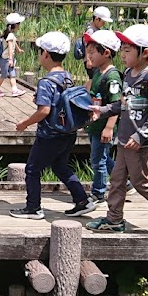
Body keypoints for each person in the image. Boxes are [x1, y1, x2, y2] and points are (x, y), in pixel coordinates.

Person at [87, 24, 148, 235]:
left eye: (127, 50)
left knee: (140, 181)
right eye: (122, 49)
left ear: (145, 52)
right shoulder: (129, 75)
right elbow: (123, 104)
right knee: (116, 180)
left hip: (141, 142)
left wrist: (141, 135)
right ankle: (114, 219)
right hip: (125, 139)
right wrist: (102, 110)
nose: (122, 54)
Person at [9, 31, 93, 220]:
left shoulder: (46, 82)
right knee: (60, 166)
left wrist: (25, 123)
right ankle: (82, 200)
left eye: (40, 51)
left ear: (45, 54)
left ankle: (33, 208)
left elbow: (44, 111)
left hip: (50, 134)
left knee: (32, 169)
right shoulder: (67, 76)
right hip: (67, 132)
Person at [83, 28, 123, 206]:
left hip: (104, 126)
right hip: (95, 123)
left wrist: (109, 128)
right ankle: (124, 181)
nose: (89, 56)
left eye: (92, 52)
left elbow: (116, 105)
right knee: (102, 157)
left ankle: (98, 192)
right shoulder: (98, 71)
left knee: (97, 160)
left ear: (106, 53)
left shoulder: (112, 76)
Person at [0, 13, 24, 97]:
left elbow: (14, 43)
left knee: (12, 74)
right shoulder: (10, 35)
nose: (19, 26)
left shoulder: (10, 35)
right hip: (5, 59)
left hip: (9, 58)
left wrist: (18, 49)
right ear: (15, 25)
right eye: (18, 24)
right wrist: (10, 59)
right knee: (4, 75)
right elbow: (9, 47)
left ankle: (14, 89)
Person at [74, 6, 113, 77]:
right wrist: (88, 60)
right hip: (91, 61)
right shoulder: (91, 31)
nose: (103, 24)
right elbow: (87, 47)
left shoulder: (96, 30)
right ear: (96, 19)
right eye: (103, 22)